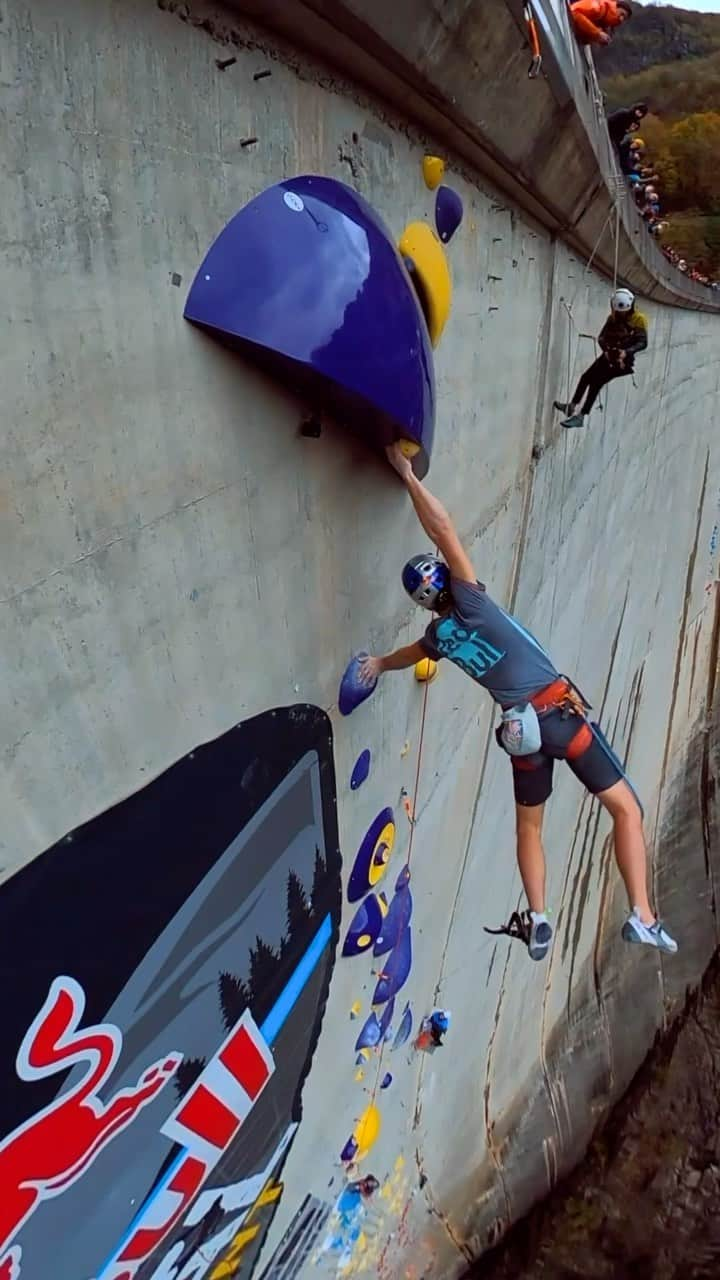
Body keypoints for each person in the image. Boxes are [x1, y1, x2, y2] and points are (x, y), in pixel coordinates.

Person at [357, 444, 678, 963]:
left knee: (529, 825)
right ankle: (642, 914)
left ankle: (540, 914)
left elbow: (403, 656)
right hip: (557, 715)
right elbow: (442, 527)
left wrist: (375, 664)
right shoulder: (474, 604)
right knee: (626, 809)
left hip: (521, 733)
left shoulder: (440, 637)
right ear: (446, 580)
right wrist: (407, 475)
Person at [553, 288, 648, 429]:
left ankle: (581, 416)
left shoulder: (639, 319)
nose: (620, 313)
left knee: (596, 383)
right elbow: (602, 337)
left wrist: (626, 352)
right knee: (586, 377)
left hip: (622, 362)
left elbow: (642, 342)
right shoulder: (613, 318)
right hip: (609, 355)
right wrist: (607, 351)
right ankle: (571, 407)